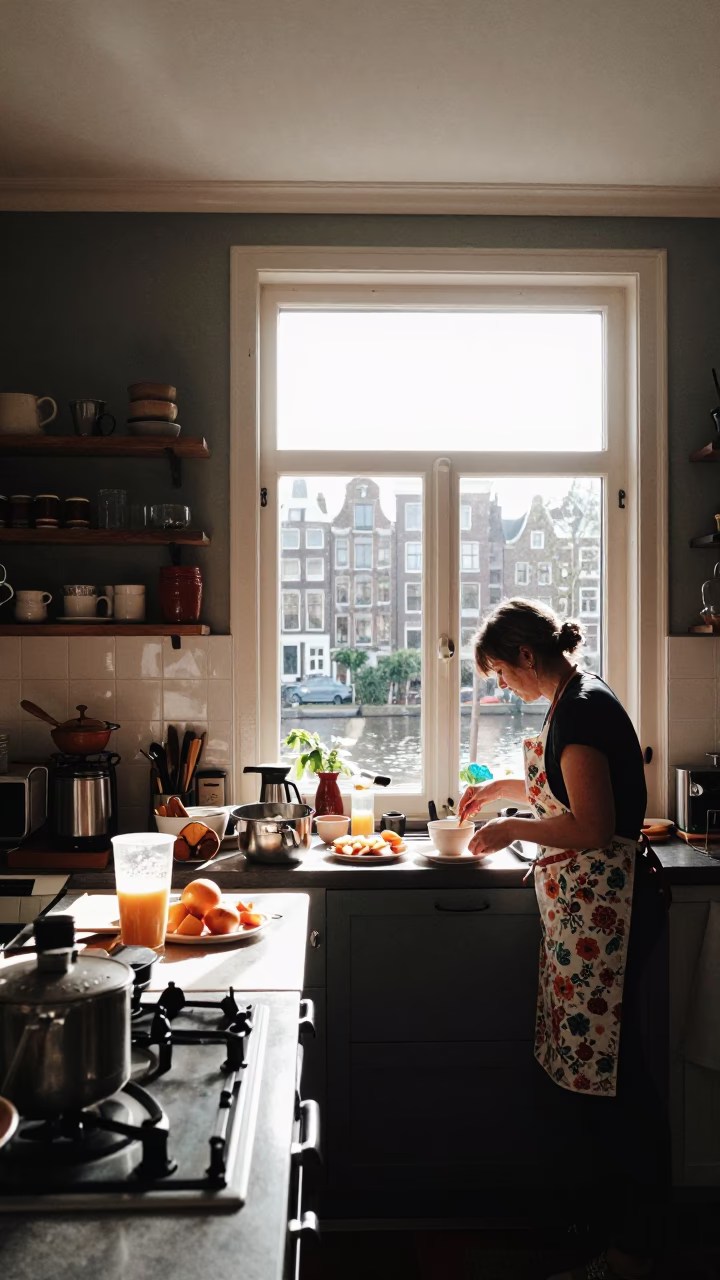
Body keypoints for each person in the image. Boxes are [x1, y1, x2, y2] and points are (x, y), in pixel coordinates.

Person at [458, 599, 669, 1280]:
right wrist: (505, 791)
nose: (499, 688)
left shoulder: (580, 710)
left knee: (613, 1087)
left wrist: (511, 827)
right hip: (589, 921)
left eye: (498, 673)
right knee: (600, 1081)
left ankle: (629, 1251)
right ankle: (608, 1240)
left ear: (525, 655)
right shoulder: (578, 697)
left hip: (608, 919)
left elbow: (589, 826)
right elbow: (568, 793)